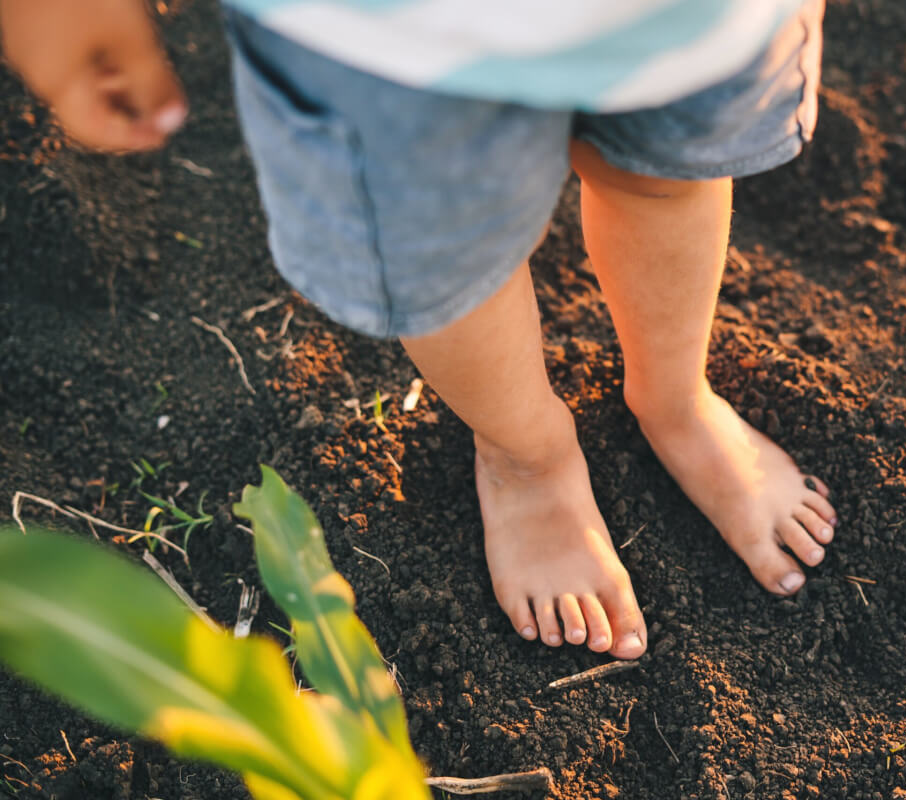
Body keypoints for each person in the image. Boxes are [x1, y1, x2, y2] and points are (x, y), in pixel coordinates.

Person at [1, 0, 837, 661]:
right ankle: (528, 455)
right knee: (445, 261)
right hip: (387, 40)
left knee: (666, 176)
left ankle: (675, 395)